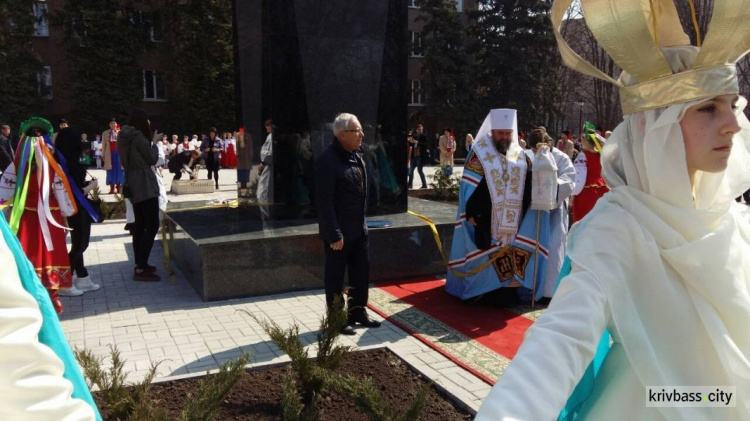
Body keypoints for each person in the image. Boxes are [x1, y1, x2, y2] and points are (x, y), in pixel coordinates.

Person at [476, 1, 750, 418]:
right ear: (654, 126)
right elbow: (559, 342)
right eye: (707, 108)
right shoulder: (619, 230)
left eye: (732, 104)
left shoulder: (733, 221)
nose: (731, 122)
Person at [446, 109, 546, 304]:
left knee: (512, 254)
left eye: (508, 133)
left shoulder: (521, 155)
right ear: (492, 132)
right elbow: (469, 187)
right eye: (501, 133)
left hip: (515, 221)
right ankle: (483, 291)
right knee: (486, 252)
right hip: (486, 218)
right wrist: (472, 212)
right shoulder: (479, 154)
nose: (505, 137)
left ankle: (508, 291)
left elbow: (528, 185)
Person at [315, 113, 381, 336]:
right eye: (357, 131)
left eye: (361, 130)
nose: (362, 134)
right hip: (339, 235)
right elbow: (324, 202)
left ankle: (357, 312)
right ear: (342, 135)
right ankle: (336, 319)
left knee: (360, 274)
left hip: (358, 230)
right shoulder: (328, 161)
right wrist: (333, 233)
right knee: (335, 278)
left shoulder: (357, 157)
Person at [523, 130, 576, 300]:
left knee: (553, 247)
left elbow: (569, 181)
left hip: (554, 213)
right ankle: (527, 287)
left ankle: (549, 290)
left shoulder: (561, 158)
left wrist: (549, 187)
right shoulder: (525, 155)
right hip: (530, 212)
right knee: (529, 247)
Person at [54, 127, 101, 294]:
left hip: (73, 207)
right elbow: (74, 192)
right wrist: (91, 186)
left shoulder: (62, 161)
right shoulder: (67, 165)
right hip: (76, 207)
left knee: (77, 244)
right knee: (81, 244)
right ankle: (64, 281)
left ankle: (82, 277)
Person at [117, 109, 161, 282]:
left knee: (140, 223)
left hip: (131, 181)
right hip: (144, 183)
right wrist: (155, 143)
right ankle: (142, 266)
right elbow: (151, 159)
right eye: (147, 120)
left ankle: (140, 263)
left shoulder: (123, 136)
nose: (149, 123)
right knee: (152, 224)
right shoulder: (139, 138)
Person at [571, 132, 610, 222]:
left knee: (584, 222)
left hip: (586, 192)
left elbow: (579, 177)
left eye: (582, 138)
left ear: (586, 140)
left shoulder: (583, 155)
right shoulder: (600, 154)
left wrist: (573, 194)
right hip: (601, 190)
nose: (581, 140)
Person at [102, 117, 124, 194]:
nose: (113, 124)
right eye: (111, 123)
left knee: (119, 170)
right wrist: (103, 155)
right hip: (110, 154)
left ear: (116, 124)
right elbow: (103, 145)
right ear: (109, 125)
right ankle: (111, 188)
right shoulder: (105, 133)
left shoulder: (121, 133)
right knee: (110, 170)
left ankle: (118, 187)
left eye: (114, 123)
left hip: (119, 154)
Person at [257, 119, 274, 210]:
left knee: (264, 189)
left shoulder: (271, 137)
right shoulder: (270, 136)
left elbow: (270, 152)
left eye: (268, 126)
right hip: (267, 164)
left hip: (268, 165)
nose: (266, 129)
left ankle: (265, 211)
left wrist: (263, 162)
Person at [408, 123, 428, 189]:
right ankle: (410, 184)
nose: (420, 130)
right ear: (416, 130)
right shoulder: (415, 136)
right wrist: (410, 141)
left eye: (421, 129)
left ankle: (424, 184)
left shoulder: (424, 136)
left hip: (420, 156)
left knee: (420, 170)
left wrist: (417, 142)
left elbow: (425, 145)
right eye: (419, 129)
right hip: (414, 156)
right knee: (411, 170)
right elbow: (411, 145)